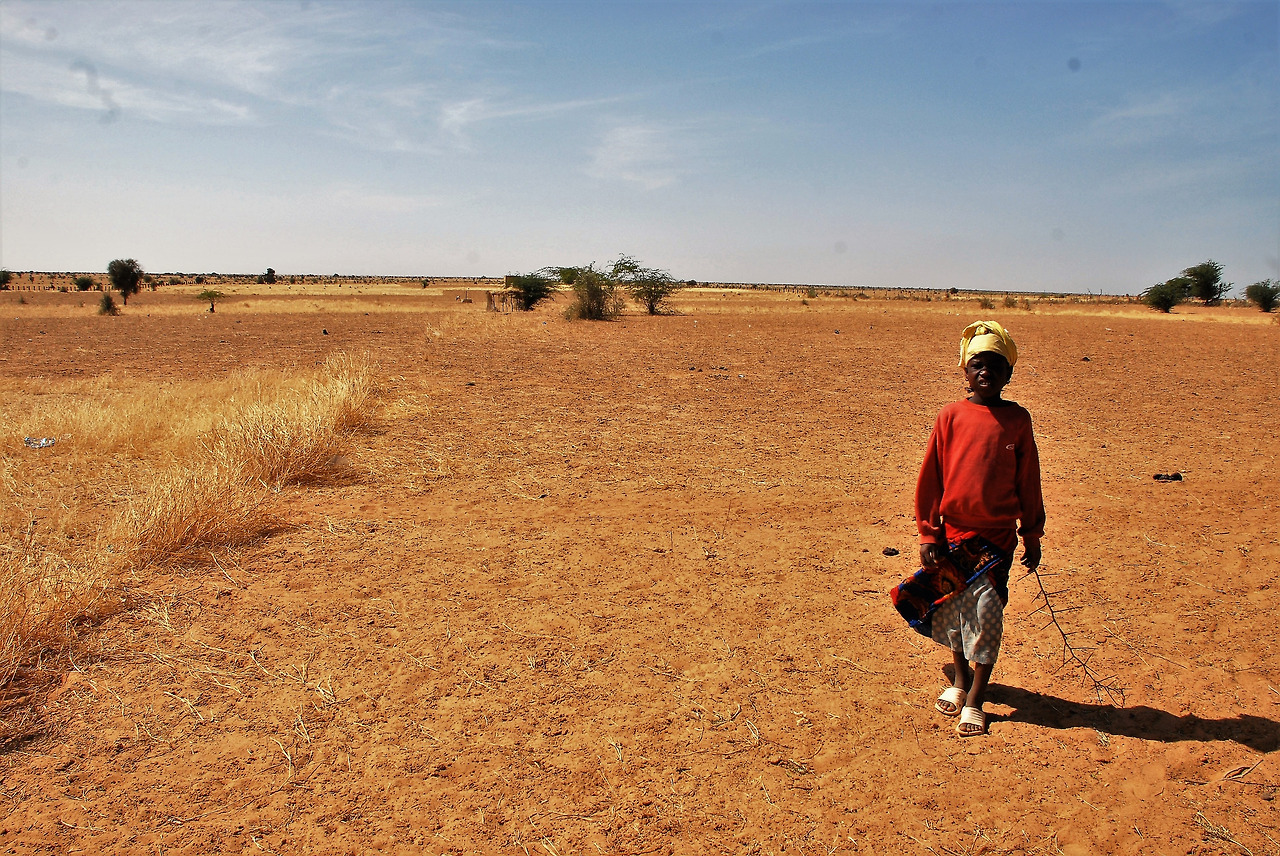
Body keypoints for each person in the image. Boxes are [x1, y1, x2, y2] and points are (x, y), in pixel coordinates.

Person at [896, 320, 1044, 737]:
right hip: (953, 536)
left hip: (996, 541)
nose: (986, 373)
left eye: (996, 366)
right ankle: (960, 681)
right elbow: (932, 478)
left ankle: (977, 699)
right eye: (978, 364)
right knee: (955, 615)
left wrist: (1031, 533)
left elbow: (1027, 480)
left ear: (1008, 374)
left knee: (986, 615)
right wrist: (928, 533)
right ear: (965, 371)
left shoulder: (1018, 420)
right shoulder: (951, 416)